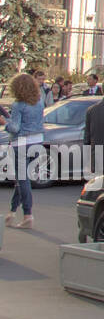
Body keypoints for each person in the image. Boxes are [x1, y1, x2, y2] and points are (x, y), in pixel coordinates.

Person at [4, 73, 45, 229]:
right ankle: (12, 212)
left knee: (23, 179)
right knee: (23, 179)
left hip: (21, 143)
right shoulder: (39, 102)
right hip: (37, 141)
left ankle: (27, 214)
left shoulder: (18, 105)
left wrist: (5, 123)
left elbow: (15, 127)